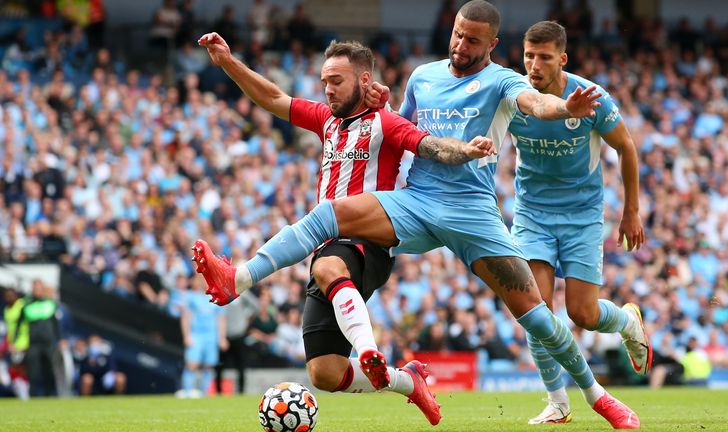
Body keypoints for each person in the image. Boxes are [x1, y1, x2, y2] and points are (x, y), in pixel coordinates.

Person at [194, 1, 639, 428]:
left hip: (472, 212)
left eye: (473, 41)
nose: (462, 45)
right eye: (458, 35)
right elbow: (400, 127)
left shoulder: (504, 81)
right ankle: (239, 278)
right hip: (417, 201)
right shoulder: (423, 77)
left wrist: (563, 107)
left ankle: (597, 397)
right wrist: (384, 103)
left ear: (492, 44)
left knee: (537, 315)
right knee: (328, 213)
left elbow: (535, 103)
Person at [195, 35, 494, 425]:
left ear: (364, 80)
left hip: (369, 239)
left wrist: (467, 150)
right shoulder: (326, 120)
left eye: (336, 80)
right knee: (325, 373)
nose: (328, 89)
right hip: (327, 244)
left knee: (327, 267)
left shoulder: (385, 122)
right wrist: (228, 63)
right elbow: (271, 98)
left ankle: (244, 280)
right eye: (324, 81)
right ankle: (409, 381)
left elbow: (428, 145)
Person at [505, 21, 651, 425]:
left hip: (582, 215)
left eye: (544, 57)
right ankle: (558, 402)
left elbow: (625, 146)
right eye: (529, 56)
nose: (534, 65)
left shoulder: (591, 97)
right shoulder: (513, 97)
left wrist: (632, 210)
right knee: (536, 310)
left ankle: (626, 321)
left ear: (562, 59)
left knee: (582, 314)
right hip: (532, 213)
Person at [177, 276, 227, 398]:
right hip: (196, 334)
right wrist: (186, 335)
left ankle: (205, 393)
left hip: (211, 335)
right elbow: (185, 317)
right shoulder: (190, 296)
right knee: (192, 363)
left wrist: (222, 338)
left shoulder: (216, 297)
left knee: (209, 365)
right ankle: (187, 392)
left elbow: (221, 319)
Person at [15, 280, 66, 397]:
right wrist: (16, 342)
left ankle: (51, 394)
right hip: (33, 343)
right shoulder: (26, 305)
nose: (37, 291)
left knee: (49, 369)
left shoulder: (50, 304)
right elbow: (19, 325)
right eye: (35, 288)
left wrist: (61, 339)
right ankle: (33, 395)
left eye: (39, 288)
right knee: (33, 371)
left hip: (48, 343)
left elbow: (56, 324)